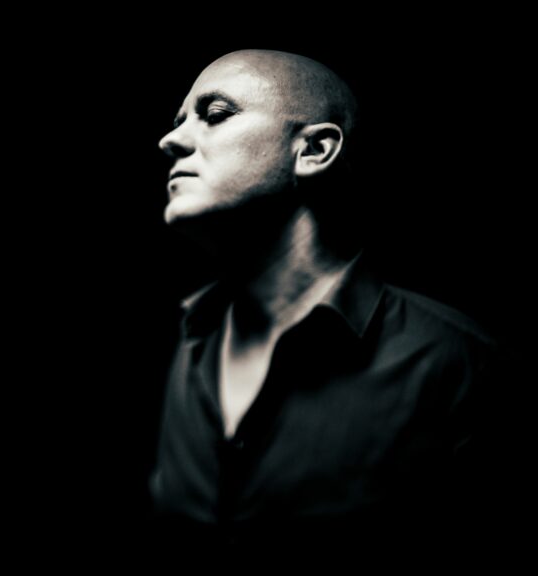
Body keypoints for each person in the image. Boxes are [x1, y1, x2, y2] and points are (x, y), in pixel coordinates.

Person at [148, 49, 500, 560]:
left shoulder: (458, 365)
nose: (170, 140)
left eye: (216, 114)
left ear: (314, 149)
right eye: (180, 120)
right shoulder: (188, 345)